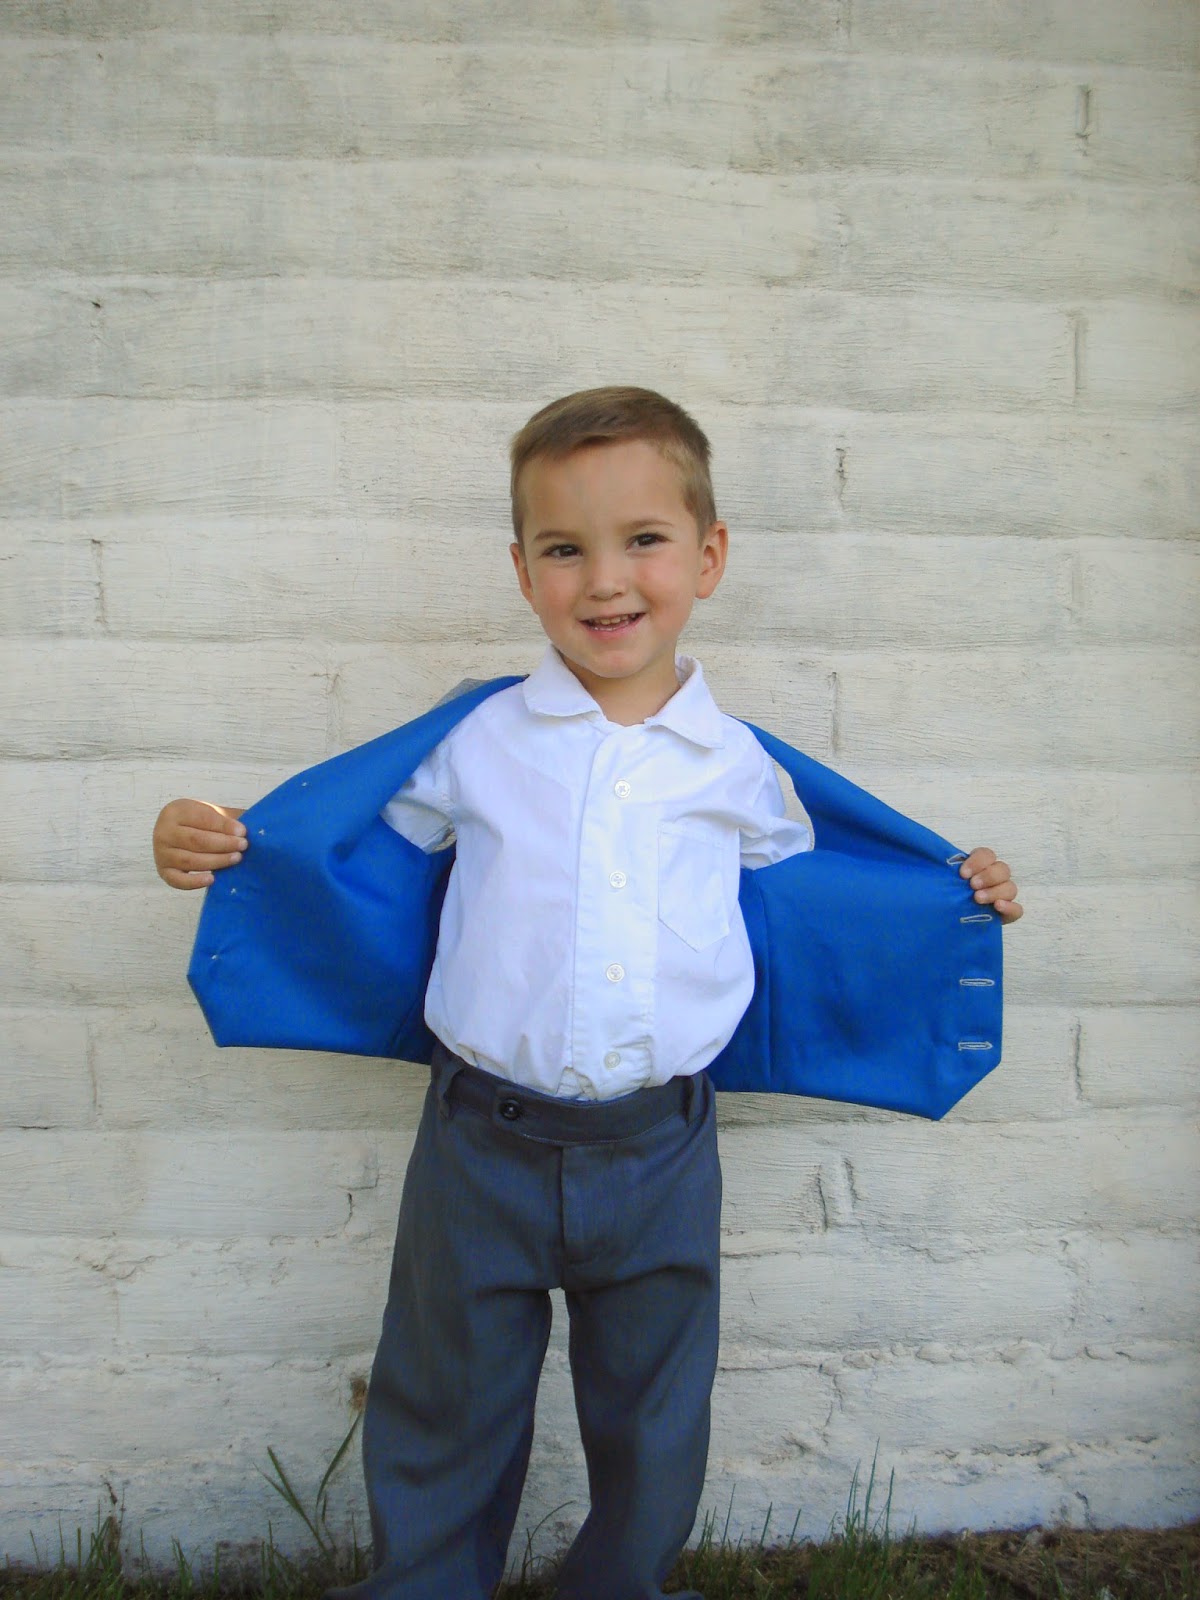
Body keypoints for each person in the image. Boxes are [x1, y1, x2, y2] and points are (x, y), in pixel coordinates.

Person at [152, 387, 1022, 1600]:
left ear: (708, 556)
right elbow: (331, 850)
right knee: (445, 1396)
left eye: (643, 539)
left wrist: (955, 891)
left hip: (661, 1147)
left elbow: (836, 890)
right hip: (480, 1139)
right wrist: (208, 838)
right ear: (523, 570)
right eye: (564, 548)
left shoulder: (740, 767)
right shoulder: (476, 742)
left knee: (655, 1413)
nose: (605, 580)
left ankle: (622, 1586)